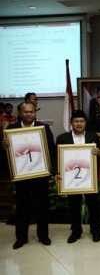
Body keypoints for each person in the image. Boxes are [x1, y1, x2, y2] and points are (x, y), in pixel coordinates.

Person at [2, 102, 55, 249]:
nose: (29, 114)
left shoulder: (43, 127)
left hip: (40, 173)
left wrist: (52, 170)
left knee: (42, 206)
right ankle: (21, 238)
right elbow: (6, 154)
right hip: (22, 174)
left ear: (35, 113)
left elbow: (51, 149)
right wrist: (4, 145)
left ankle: (43, 236)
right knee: (22, 207)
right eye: (25, 112)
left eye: (31, 112)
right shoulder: (11, 129)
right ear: (19, 113)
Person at [55, 110, 100, 243]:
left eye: (82, 121)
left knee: (93, 204)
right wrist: (57, 173)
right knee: (73, 205)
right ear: (71, 123)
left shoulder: (93, 137)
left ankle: (96, 231)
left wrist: (98, 152)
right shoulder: (62, 138)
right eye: (76, 121)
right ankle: (76, 231)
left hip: (89, 177)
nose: (79, 124)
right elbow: (58, 158)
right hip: (71, 178)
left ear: (86, 123)